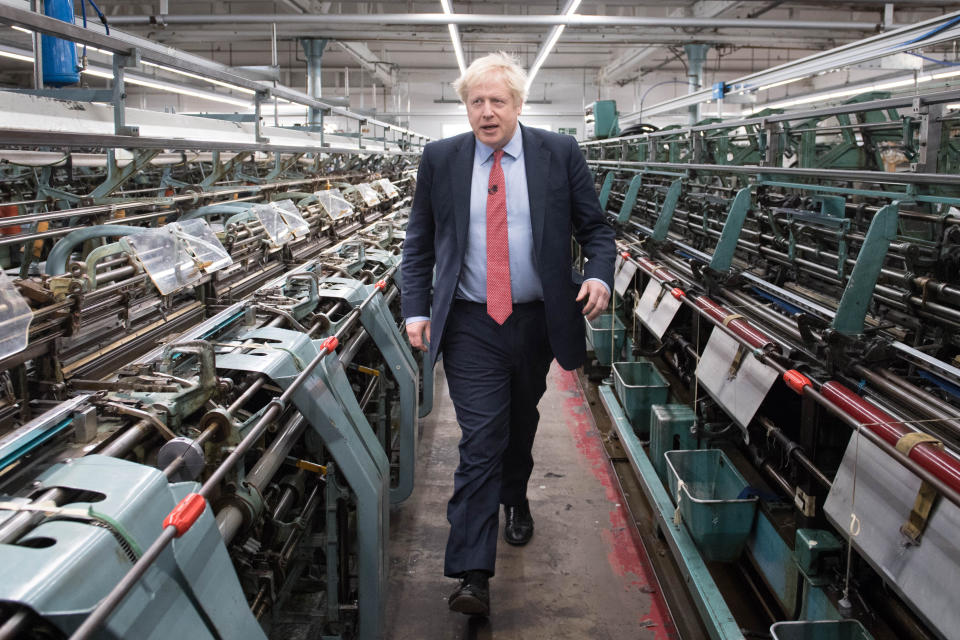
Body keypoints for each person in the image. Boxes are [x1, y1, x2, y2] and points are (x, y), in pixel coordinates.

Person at [400, 51, 616, 617]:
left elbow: (596, 229)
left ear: (519, 105)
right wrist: (415, 309)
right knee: (480, 440)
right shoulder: (441, 158)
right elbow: (418, 241)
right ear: (465, 107)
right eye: (477, 101)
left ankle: (515, 496)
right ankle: (473, 572)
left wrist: (597, 274)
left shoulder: (559, 153)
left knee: (520, 423)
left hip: (537, 318)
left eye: (498, 101)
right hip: (470, 321)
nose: (487, 112)